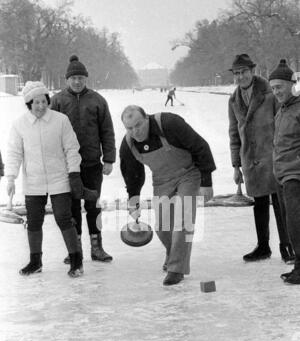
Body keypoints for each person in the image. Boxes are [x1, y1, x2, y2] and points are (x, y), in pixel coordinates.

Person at [119, 105, 216, 286]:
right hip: (162, 181)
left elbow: (200, 146)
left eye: (138, 125)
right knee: (163, 227)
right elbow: (132, 175)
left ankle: (176, 269)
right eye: (130, 128)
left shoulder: (169, 124)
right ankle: (173, 254)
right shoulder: (128, 145)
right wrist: (133, 200)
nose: (135, 131)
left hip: (188, 173)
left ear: (146, 118)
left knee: (182, 221)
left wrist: (206, 182)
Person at [6, 81, 86, 277]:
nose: (41, 106)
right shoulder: (19, 125)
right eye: (36, 103)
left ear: (48, 101)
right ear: (28, 104)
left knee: (63, 218)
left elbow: (72, 149)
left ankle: (76, 260)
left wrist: (73, 173)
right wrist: (10, 177)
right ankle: (35, 261)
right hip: (34, 181)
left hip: (59, 179)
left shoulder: (61, 121)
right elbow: (14, 153)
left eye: (43, 101)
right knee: (34, 222)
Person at [228, 53, 294, 263]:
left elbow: (282, 123)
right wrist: (236, 164)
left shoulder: (269, 93)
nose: (240, 77)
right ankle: (263, 246)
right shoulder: (233, 99)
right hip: (250, 158)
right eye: (236, 74)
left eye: (243, 72)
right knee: (259, 203)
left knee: (280, 202)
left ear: (252, 71)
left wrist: (280, 153)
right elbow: (233, 132)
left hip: (272, 155)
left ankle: (287, 246)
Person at [51, 55, 116, 264]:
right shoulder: (58, 101)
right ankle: (75, 248)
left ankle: (97, 248)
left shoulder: (97, 100)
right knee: (71, 207)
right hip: (67, 166)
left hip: (91, 163)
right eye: (73, 78)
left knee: (93, 205)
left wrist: (109, 159)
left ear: (86, 79)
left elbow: (107, 131)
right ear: (67, 80)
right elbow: (50, 133)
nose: (77, 82)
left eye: (80, 77)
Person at [269, 59, 300, 284]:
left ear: (292, 84)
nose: (276, 91)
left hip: (295, 174)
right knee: (290, 222)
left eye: (279, 87)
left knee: (296, 222)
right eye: (273, 88)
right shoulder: (281, 112)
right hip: (282, 174)